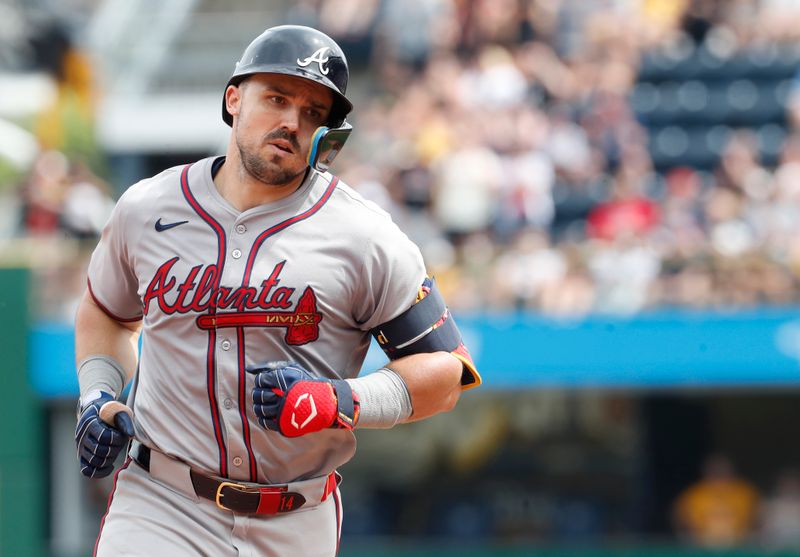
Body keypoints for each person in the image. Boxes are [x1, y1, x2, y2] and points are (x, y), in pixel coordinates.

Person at [73, 25, 481, 556]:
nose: (292, 121)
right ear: (234, 99)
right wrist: (97, 394)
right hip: (162, 503)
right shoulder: (147, 209)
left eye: (314, 112)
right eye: (277, 98)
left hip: (296, 517)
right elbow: (106, 314)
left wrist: (343, 399)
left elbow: (446, 373)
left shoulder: (366, 234)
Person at [672, 453, 760, 547]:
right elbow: (679, 519)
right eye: (714, 469)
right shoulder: (693, 494)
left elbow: (758, 519)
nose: (718, 471)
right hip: (701, 547)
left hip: (739, 547)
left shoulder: (745, 492)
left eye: (722, 468)